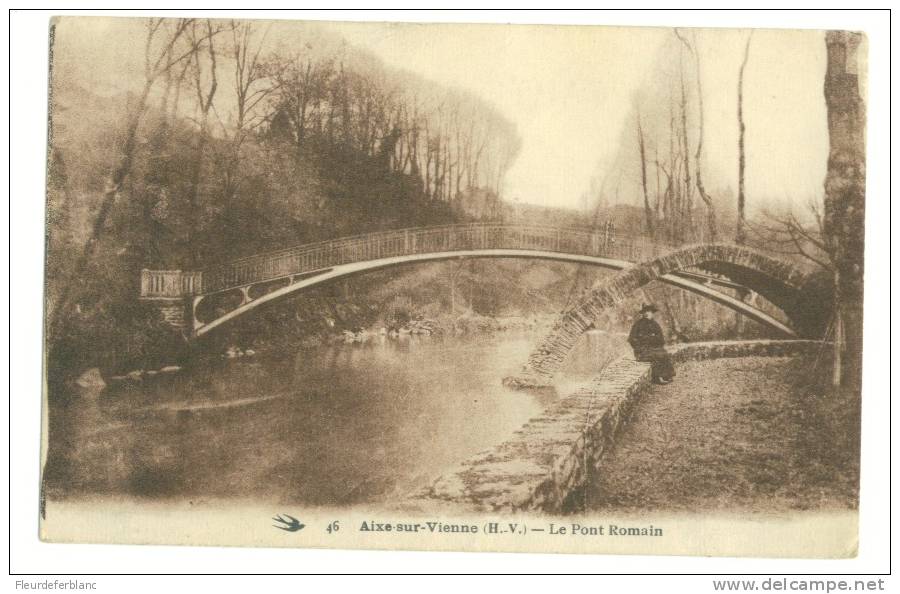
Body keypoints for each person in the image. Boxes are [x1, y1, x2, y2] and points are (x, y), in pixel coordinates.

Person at [627, 303, 676, 384]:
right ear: (643, 314)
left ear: (652, 313)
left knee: (663, 353)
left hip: (653, 348)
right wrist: (640, 348)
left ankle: (666, 375)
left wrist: (653, 340)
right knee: (657, 355)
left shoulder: (655, 325)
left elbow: (661, 340)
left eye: (649, 312)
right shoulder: (637, 325)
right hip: (642, 352)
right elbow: (632, 339)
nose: (647, 313)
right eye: (645, 312)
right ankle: (658, 378)